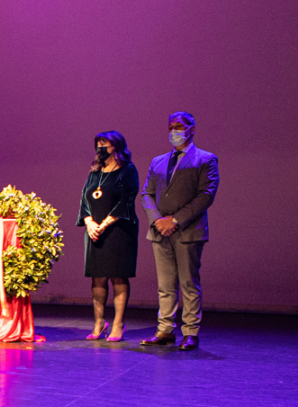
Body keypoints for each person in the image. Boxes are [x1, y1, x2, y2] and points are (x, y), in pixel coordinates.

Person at [140, 111, 219, 351]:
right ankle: (165, 330)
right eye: (170, 127)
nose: (174, 131)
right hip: (159, 232)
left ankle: (191, 331)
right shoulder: (158, 161)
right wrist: (157, 222)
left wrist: (174, 220)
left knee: (188, 283)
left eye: (179, 126)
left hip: (188, 231)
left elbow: (205, 195)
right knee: (165, 285)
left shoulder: (206, 159)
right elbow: (146, 194)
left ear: (191, 129)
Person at [76, 131, 139, 342]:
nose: (101, 148)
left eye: (105, 144)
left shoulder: (127, 171)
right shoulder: (94, 172)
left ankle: (118, 324)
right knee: (98, 276)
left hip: (119, 230)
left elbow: (126, 200)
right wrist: (89, 221)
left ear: (117, 147)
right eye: (98, 144)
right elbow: (85, 199)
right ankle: (98, 323)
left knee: (118, 275)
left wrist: (104, 224)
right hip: (95, 230)